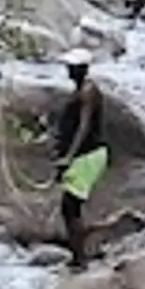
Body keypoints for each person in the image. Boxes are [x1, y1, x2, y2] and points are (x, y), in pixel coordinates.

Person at [51, 55, 106, 267]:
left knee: (70, 206)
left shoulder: (88, 91)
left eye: (72, 67)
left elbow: (84, 127)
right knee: (71, 207)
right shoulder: (79, 90)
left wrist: (69, 158)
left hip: (88, 155)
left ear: (82, 68)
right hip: (83, 155)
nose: (68, 71)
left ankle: (80, 257)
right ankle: (79, 254)